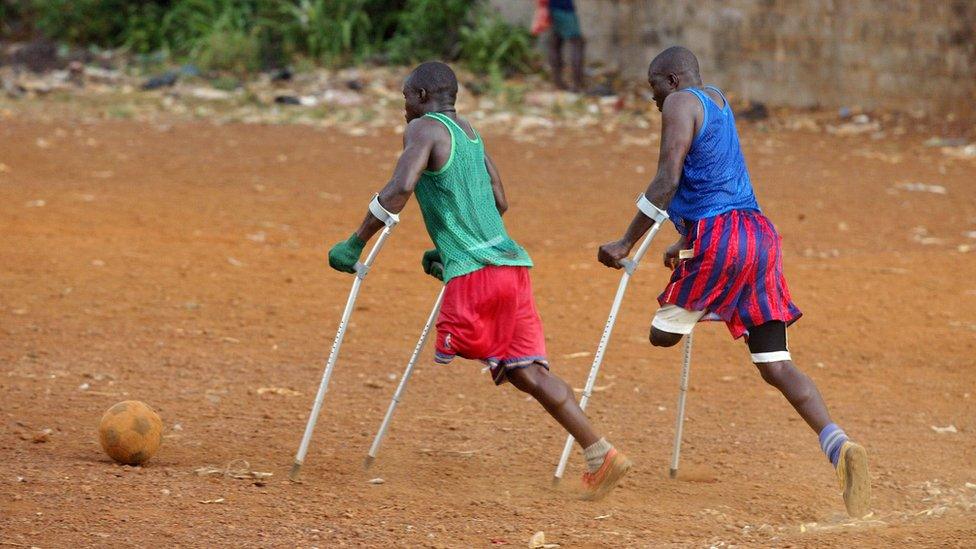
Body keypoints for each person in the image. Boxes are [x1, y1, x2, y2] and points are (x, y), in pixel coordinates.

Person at [327, 61, 629, 500]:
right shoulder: (470, 133)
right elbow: (500, 201)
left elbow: (400, 186)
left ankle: (474, 341)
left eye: (406, 98)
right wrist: (449, 247)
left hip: (478, 274)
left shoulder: (424, 129)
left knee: (459, 338)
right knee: (528, 373)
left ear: (425, 96)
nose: (403, 108)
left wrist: (355, 242)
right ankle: (600, 452)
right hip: (512, 265)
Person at [595, 46, 871, 518]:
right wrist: (685, 245)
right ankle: (838, 445)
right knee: (775, 363)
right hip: (758, 237)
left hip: (718, 239)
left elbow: (667, 179)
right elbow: (711, 181)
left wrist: (624, 243)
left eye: (655, 88)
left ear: (674, 79)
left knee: (661, 334)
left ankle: (703, 298)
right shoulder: (718, 100)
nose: (654, 101)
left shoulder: (682, 103)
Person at [537, 0, 585, 92]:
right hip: (563, 7)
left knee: (556, 41)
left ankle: (558, 82)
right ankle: (576, 85)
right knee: (576, 42)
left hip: (553, 6)